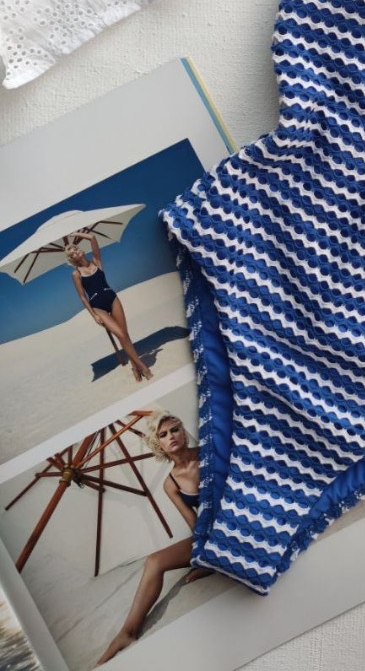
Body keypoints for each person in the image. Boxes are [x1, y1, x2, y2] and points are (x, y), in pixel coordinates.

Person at [95, 410, 211, 664]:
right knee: (154, 561)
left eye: (175, 429)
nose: (171, 436)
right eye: (163, 434)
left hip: (239, 523)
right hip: (212, 535)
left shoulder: (209, 452)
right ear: (158, 444)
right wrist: (205, 554)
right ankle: (128, 632)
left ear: (183, 432)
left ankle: (214, 561)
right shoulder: (171, 484)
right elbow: (195, 525)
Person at [65, 230, 152, 383]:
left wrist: (76, 233)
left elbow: (92, 238)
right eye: (72, 253)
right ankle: (143, 367)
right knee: (121, 335)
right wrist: (94, 316)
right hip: (98, 307)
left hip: (112, 299)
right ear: (72, 259)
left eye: (76, 248)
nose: (75, 251)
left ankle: (134, 367)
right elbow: (82, 297)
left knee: (125, 335)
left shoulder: (96, 261)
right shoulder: (76, 274)